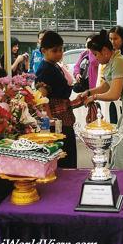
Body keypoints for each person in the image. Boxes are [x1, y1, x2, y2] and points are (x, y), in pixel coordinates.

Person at [78, 29, 123, 169]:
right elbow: (106, 86)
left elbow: (114, 94)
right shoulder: (113, 61)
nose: (95, 58)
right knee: (122, 140)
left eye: (95, 54)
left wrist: (94, 97)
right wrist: (89, 91)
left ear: (105, 51)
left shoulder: (118, 62)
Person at [35, 31, 77, 169]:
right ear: (44, 51)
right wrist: (50, 120)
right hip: (57, 119)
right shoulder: (44, 69)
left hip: (64, 115)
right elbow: (42, 98)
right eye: (55, 51)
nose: (59, 53)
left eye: (61, 50)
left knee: (68, 153)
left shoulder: (54, 65)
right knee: (64, 157)